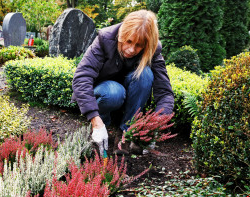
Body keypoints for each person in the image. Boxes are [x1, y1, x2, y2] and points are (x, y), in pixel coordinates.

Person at [72, 10, 174, 156]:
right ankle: (104, 123)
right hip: (105, 93)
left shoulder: (153, 50)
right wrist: (95, 119)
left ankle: (126, 131)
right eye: (129, 41)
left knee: (144, 75)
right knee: (114, 92)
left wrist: (156, 124)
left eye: (139, 45)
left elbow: (164, 91)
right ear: (122, 34)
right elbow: (82, 77)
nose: (131, 49)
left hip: (128, 97)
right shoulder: (105, 38)